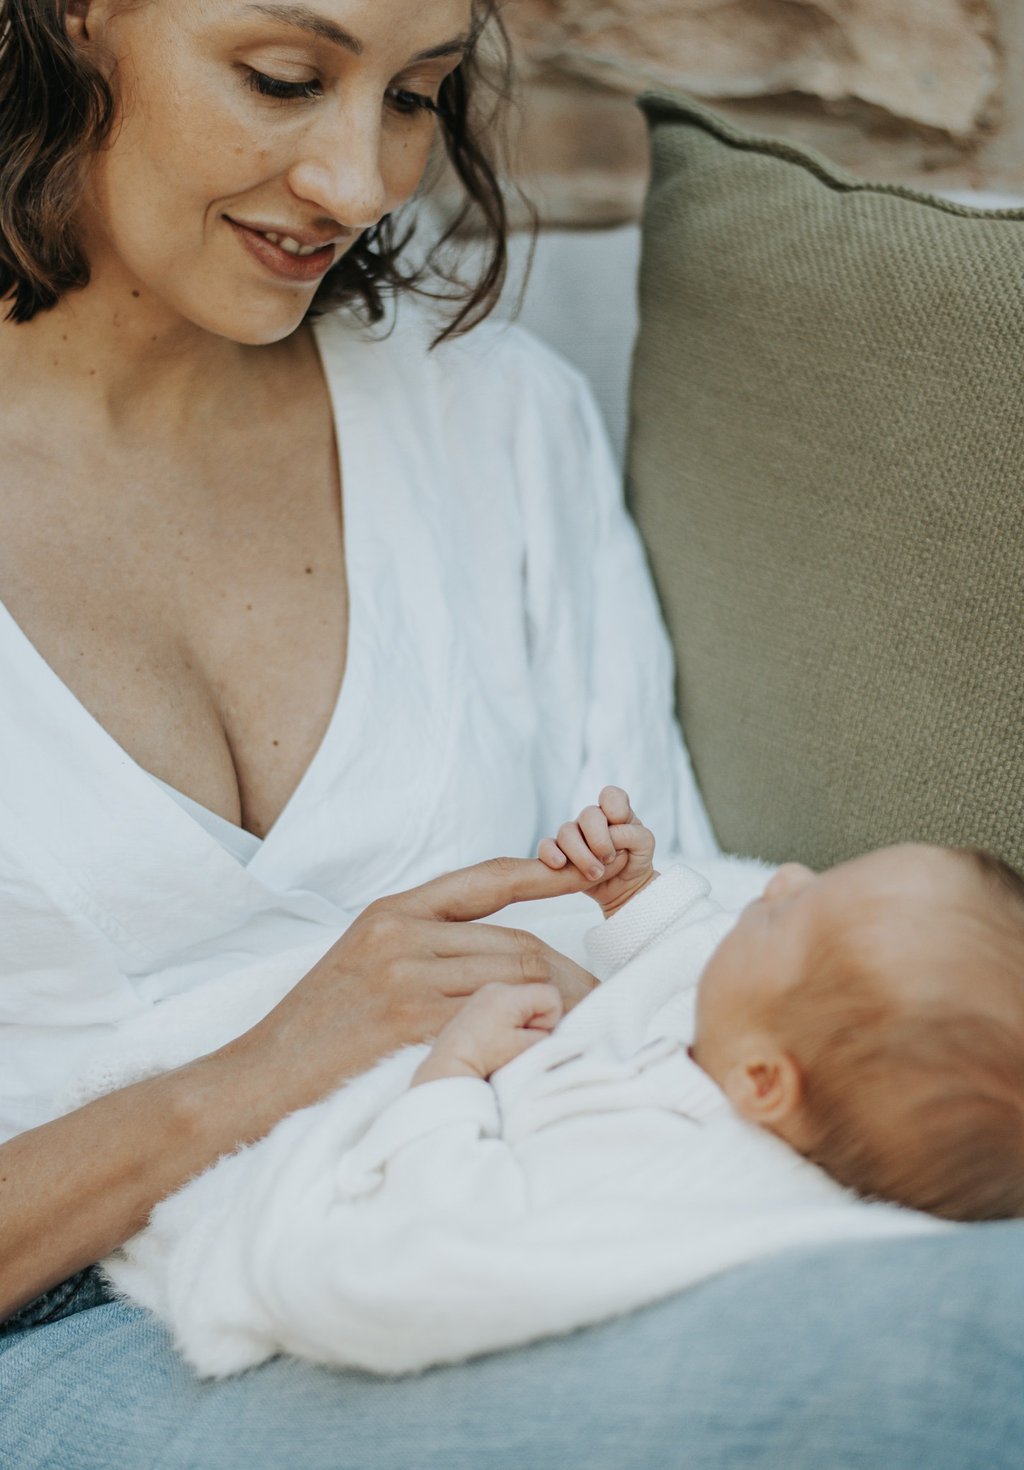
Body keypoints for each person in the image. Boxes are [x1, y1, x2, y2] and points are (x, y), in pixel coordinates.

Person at [0, 2, 1022, 1467]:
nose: (361, 185)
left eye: (415, 98)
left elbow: (684, 924)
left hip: (539, 1207)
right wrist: (262, 1069)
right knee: (973, 1348)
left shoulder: (490, 420)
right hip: (101, 1331)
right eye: (285, 78)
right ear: (72, 22)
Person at [89, 790, 1020, 1379]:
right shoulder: (760, 1053)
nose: (779, 878)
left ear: (767, 1085)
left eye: (789, 918)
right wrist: (631, 896)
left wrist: (452, 1076)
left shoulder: (641, 1165)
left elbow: (449, 1233)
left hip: (355, 1211)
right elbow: (685, 975)